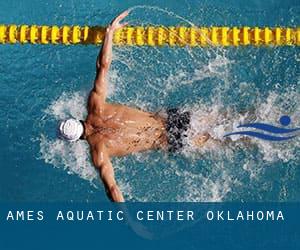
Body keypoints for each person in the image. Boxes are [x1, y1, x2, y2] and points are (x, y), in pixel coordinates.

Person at [58, 11, 210, 202]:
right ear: (76, 119)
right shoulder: (95, 105)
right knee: (226, 118)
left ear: (76, 140)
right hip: (172, 118)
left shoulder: (99, 152)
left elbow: (112, 189)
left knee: (228, 141)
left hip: (171, 140)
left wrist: (129, 221)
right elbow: (103, 66)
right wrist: (109, 33)